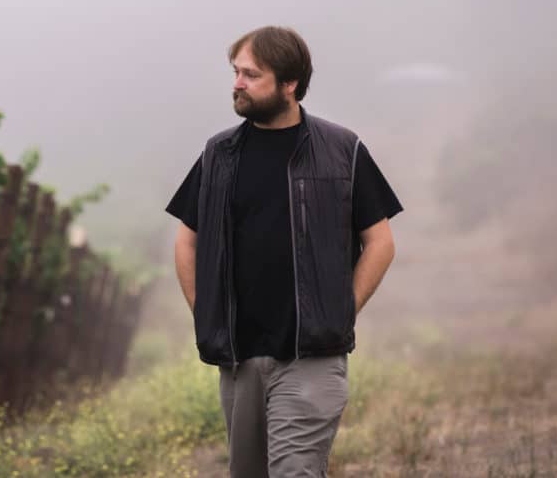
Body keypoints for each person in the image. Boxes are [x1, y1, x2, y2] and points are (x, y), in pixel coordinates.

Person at [166, 26, 402, 477]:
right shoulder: (218, 154)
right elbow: (186, 239)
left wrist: (340, 311)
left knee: (296, 472)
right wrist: (205, 311)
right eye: (236, 72)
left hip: (311, 359)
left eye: (251, 74)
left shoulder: (342, 150)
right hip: (239, 361)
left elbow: (380, 242)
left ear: (289, 83)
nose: (237, 83)